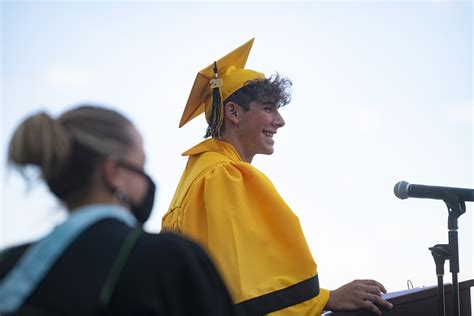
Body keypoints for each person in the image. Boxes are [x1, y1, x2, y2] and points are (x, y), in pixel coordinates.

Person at [162, 38, 394, 315]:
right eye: (269, 109)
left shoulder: (197, 173)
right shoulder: (224, 176)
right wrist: (323, 299)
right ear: (234, 112)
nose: (280, 121)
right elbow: (242, 282)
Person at [0, 105, 236, 315]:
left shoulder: (9, 265)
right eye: (141, 163)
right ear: (113, 172)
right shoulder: (171, 259)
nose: (146, 178)